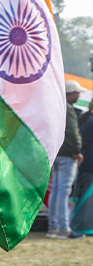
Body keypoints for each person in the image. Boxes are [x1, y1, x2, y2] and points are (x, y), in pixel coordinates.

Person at [47, 79, 83, 239]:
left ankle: (53, 227)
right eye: (77, 93)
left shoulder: (57, 106)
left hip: (57, 153)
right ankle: (64, 229)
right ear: (71, 93)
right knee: (63, 191)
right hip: (68, 155)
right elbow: (72, 131)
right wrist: (77, 151)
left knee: (56, 191)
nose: (79, 95)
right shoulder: (68, 109)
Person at [70, 96, 93, 237]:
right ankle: (81, 227)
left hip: (85, 164)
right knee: (86, 197)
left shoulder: (86, 120)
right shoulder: (89, 121)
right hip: (89, 164)